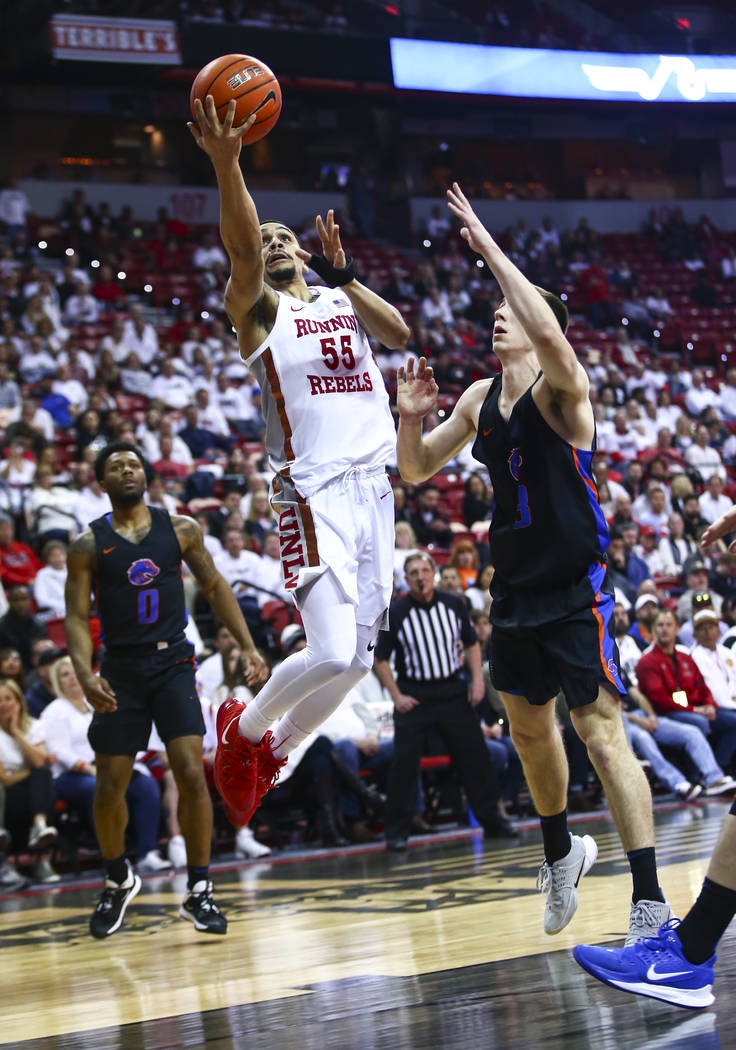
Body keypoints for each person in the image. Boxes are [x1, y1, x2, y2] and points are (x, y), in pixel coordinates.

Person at [395, 182, 670, 944]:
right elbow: (415, 470)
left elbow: (549, 330)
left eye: (508, 310)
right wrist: (408, 418)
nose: (496, 315)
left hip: (575, 584)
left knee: (600, 729)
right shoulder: (482, 396)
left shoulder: (564, 392)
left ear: (541, 324)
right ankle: (560, 854)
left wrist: (488, 247)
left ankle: (648, 896)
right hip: (513, 587)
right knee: (526, 728)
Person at [187, 95, 410, 829]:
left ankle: (272, 749)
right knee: (331, 647)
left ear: (308, 252)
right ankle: (240, 733)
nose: (277, 242)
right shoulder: (258, 310)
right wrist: (229, 165)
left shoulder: (341, 302)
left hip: (375, 493)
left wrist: (345, 275)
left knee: (353, 664)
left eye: (288, 236)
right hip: (311, 492)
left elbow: (401, 333)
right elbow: (243, 248)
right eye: (270, 236)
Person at [65, 442, 267, 939]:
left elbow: (217, 587)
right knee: (110, 783)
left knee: (191, 774)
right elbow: (74, 617)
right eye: (116, 466)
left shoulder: (181, 529)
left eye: (133, 463)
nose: (126, 470)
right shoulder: (87, 545)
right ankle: (118, 878)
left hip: (173, 661)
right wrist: (86, 674)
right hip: (121, 669)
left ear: (146, 474)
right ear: (102, 481)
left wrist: (248, 645)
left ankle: (199, 890)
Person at [574, 505, 736, 1007]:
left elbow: (687, 691)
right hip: (661, 717)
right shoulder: (652, 658)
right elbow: (663, 695)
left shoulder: (686, 657)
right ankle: (691, 949)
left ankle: (690, 952)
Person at [374, 552, 515, 850]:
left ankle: (493, 820)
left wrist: (477, 681)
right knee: (403, 764)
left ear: (433, 573)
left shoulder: (453, 604)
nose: (420, 577)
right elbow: (380, 659)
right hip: (416, 694)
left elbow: (472, 643)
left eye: (425, 570)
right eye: (413, 572)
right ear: (407, 578)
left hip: (452, 690)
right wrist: (397, 696)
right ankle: (396, 832)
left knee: (476, 757)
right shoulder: (396, 611)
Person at [39, 656, 170, 875]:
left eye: (75, 672)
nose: (72, 678)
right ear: (56, 681)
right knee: (97, 788)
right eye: (65, 674)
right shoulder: (54, 711)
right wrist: (89, 768)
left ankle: (148, 853)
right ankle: (115, 859)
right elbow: (60, 752)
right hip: (72, 775)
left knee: (144, 784)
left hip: (107, 766)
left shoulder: (98, 702)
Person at [636, 609, 736, 776]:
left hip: (693, 709)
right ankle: (697, 775)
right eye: (660, 625)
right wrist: (695, 710)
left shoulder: (684, 657)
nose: (664, 629)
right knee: (699, 722)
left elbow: (702, 687)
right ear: (652, 631)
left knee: (731, 722)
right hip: (665, 713)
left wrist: (710, 706)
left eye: (669, 625)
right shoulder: (647, 661)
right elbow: (660, 700)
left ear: (677, 629)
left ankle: (720, 767)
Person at [0, 677, 59, 883]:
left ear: (19, 701)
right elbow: (4, 779)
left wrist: (17, 733)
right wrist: (33, 770)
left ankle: (40, 830)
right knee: (42, 782)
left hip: (33, 793)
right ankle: (41, 847)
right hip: (8, 796)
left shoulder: (34, 726)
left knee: (43, 780)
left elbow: (39, 764)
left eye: (8, 698)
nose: (4, 704)